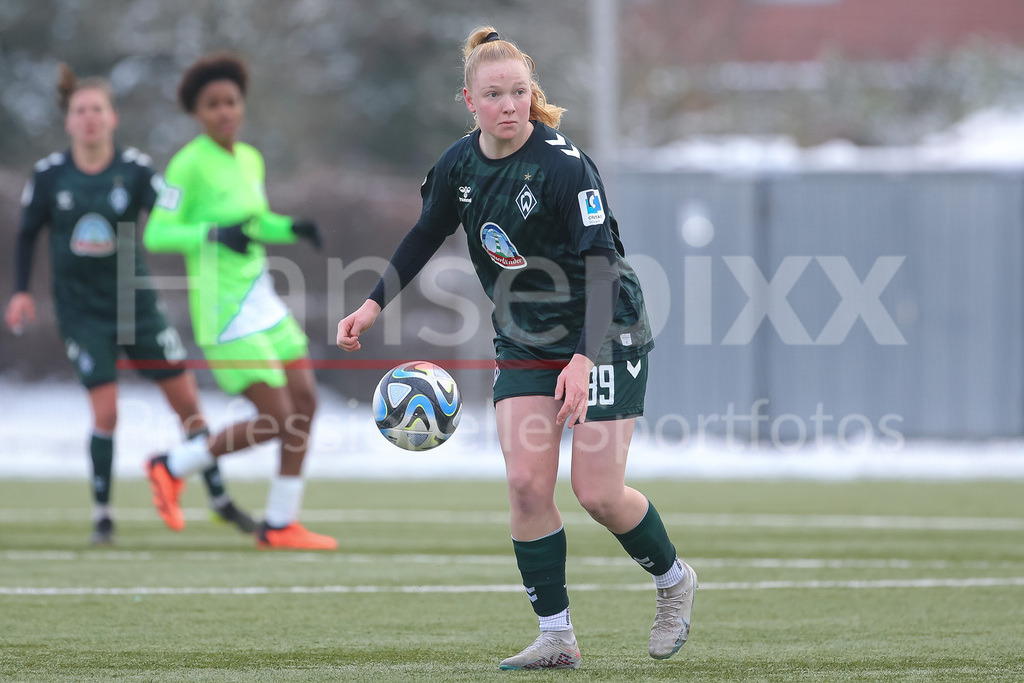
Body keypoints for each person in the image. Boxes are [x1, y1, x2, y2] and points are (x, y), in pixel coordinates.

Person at [337, 27, 697, 669]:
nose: (510, 104)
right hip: (526, 335)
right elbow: (424, 235)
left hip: (605, 330)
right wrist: (371, 304)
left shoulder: (564, 165)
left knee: (597, 493)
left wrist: (584, 358)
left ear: (533, 96)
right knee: (527, 485)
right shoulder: (458, 166)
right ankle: (557, 636)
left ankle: (674, 582)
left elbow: (601, 265)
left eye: (520, 92)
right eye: (495, 94)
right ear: (469, 101)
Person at [3, 64, 254, 545]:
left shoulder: (135, 169)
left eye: (98, 109)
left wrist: (215, 229)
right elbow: (28, 233)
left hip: (136, 304)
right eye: (81, 111)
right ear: (69, 121)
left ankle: (220, 498)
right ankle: (103, 514)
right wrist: (20, 291)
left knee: (187, 404)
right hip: (82, 311)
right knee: (107, 413)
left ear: (113, 118)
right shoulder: (50, 175)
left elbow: (171, 219)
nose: (90, 118)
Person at [142, 53, 335, 551]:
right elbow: (159, 233)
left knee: (306, 404)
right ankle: (171, 466)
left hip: (261, 299)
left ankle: (278, 523)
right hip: (223, 313)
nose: (225, 111)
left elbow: (253, 222)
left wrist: (291, 227)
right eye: (213, 105)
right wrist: (211, 233)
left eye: (231, 102)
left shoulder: (249, 158)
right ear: (197, 113)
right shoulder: (189, 162)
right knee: (276, 418)